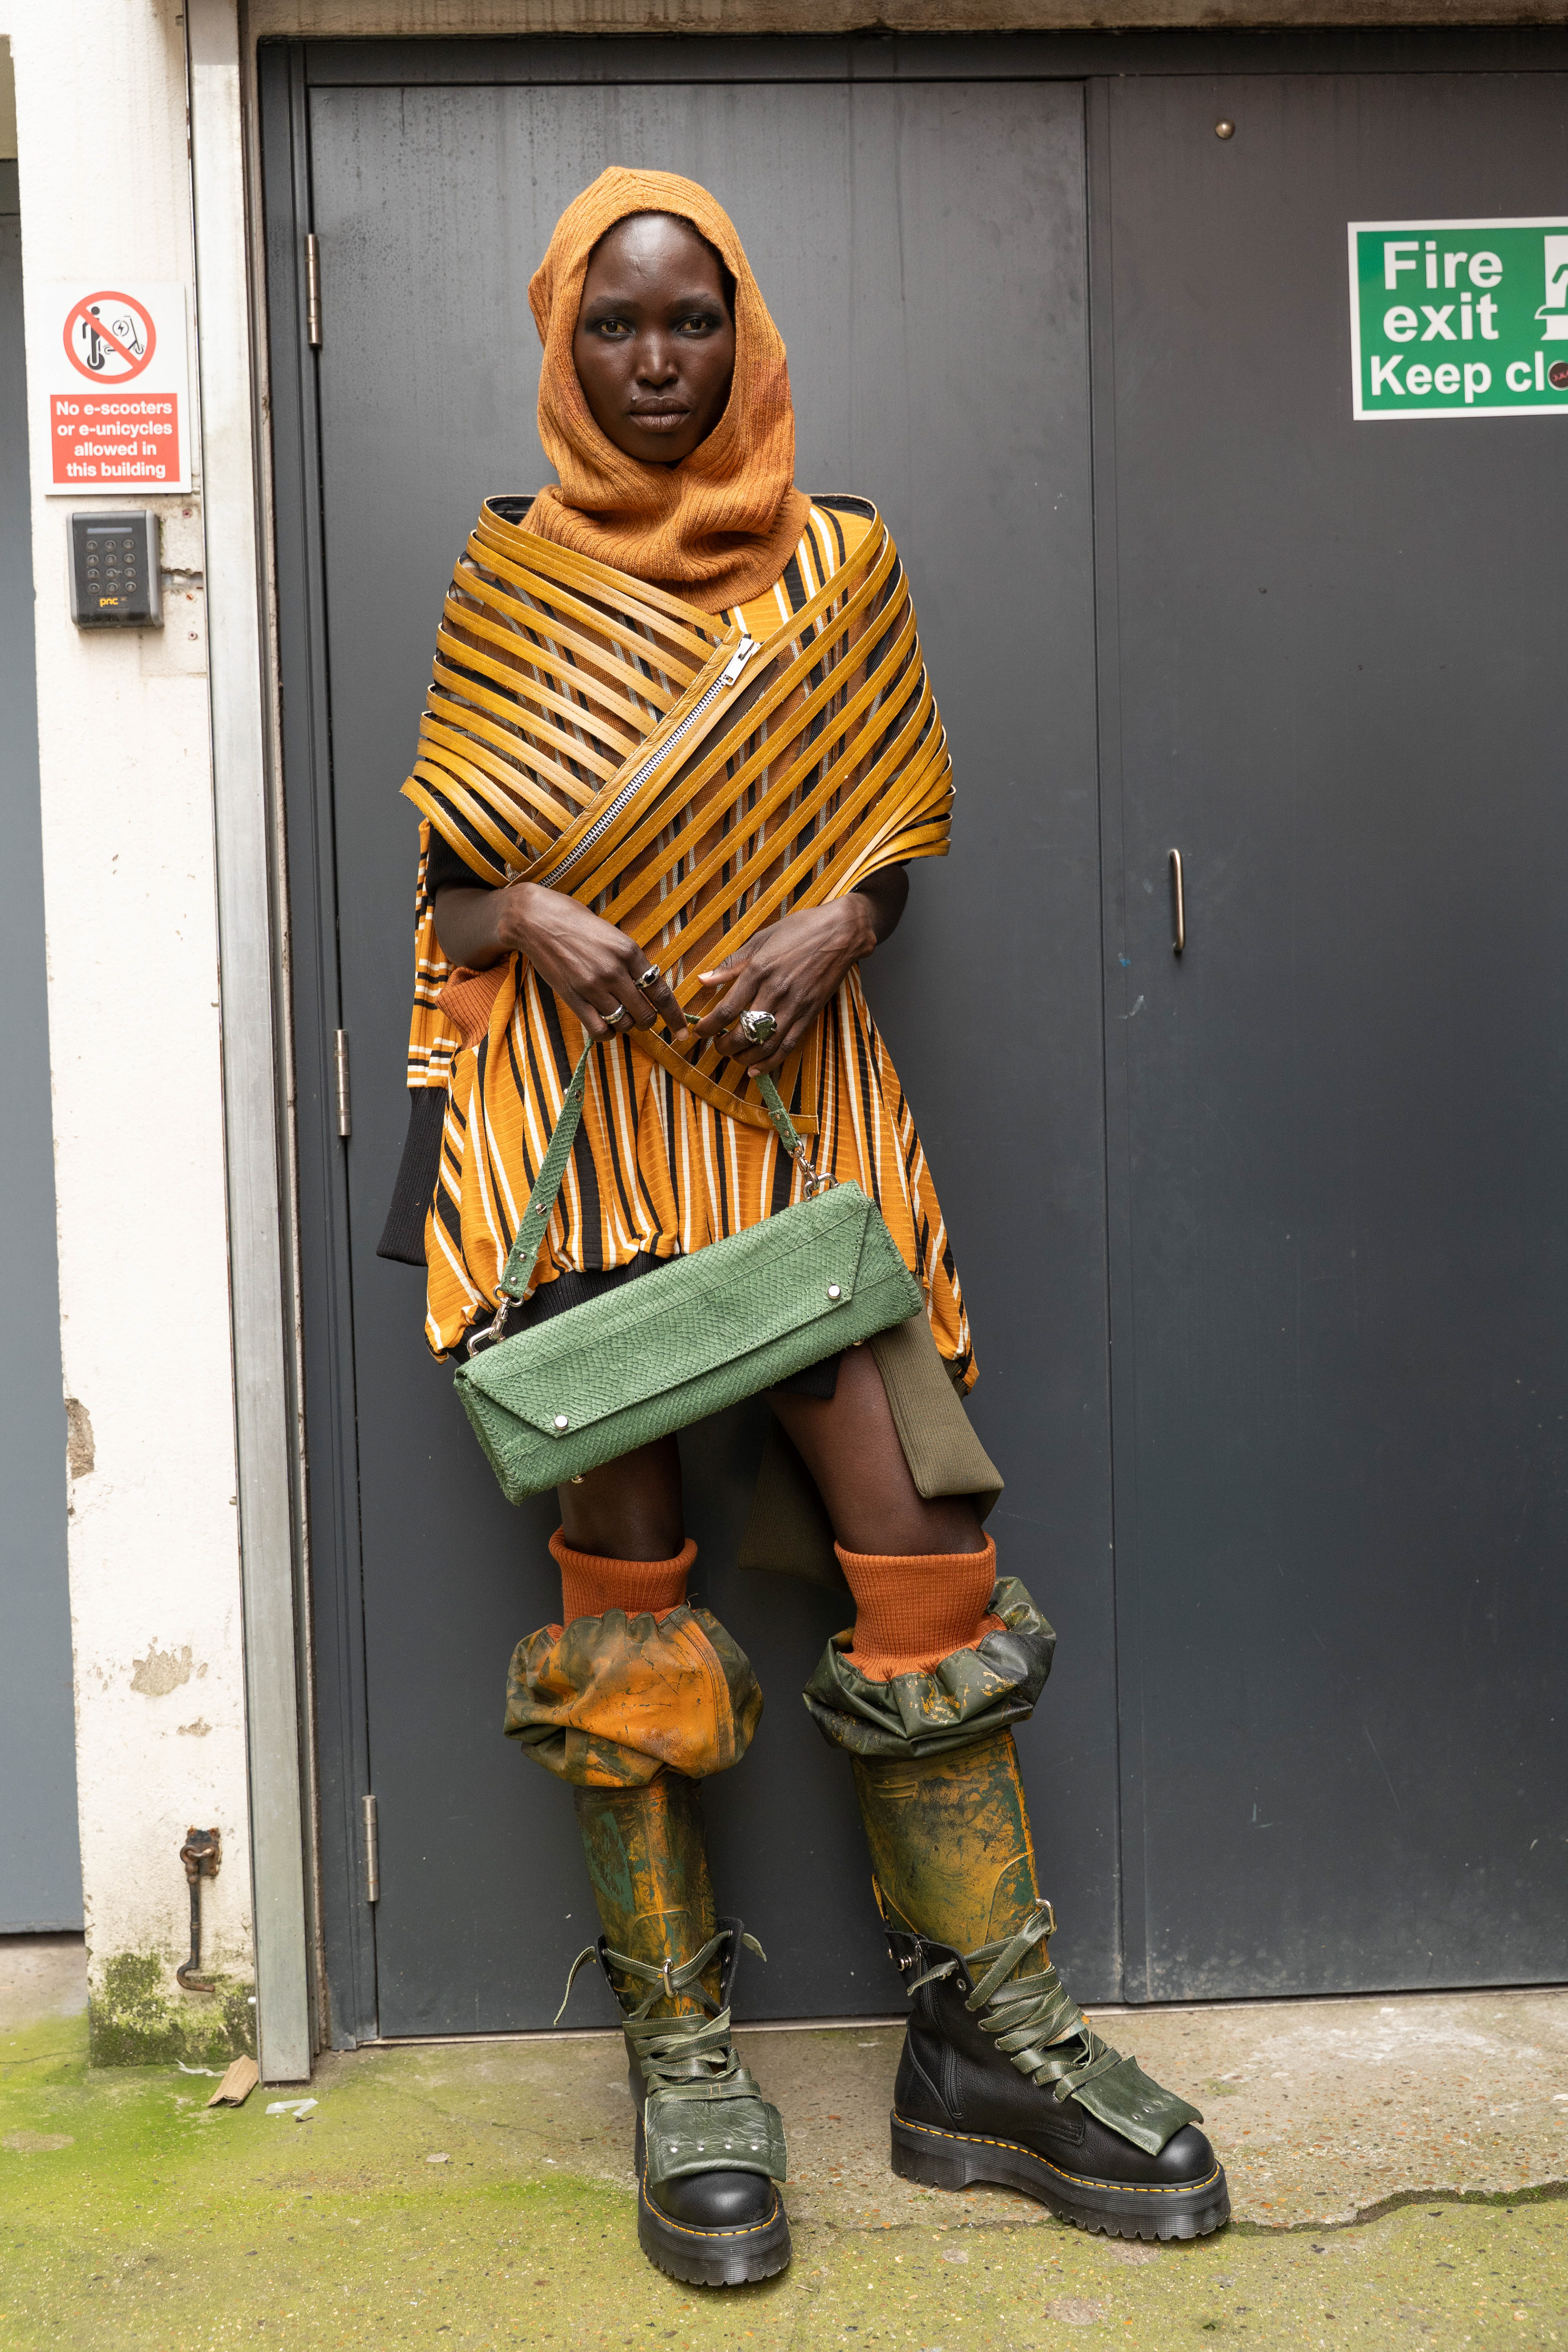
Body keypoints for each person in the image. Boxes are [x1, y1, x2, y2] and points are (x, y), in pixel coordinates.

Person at [382, 167, 1227, 2289]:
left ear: (740, 332)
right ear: (562, 342)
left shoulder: (845, 566)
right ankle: (683, 2063)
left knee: (925, 1555)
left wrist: (846, 915)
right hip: (588, 1140)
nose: (655, 367)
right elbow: (449, 899)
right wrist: (533, 915)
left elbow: (893, 841)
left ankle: (989, 2049)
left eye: (688, 325)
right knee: (627, 1606)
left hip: (791, 1118)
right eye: (614, 329)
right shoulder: (506, 579)